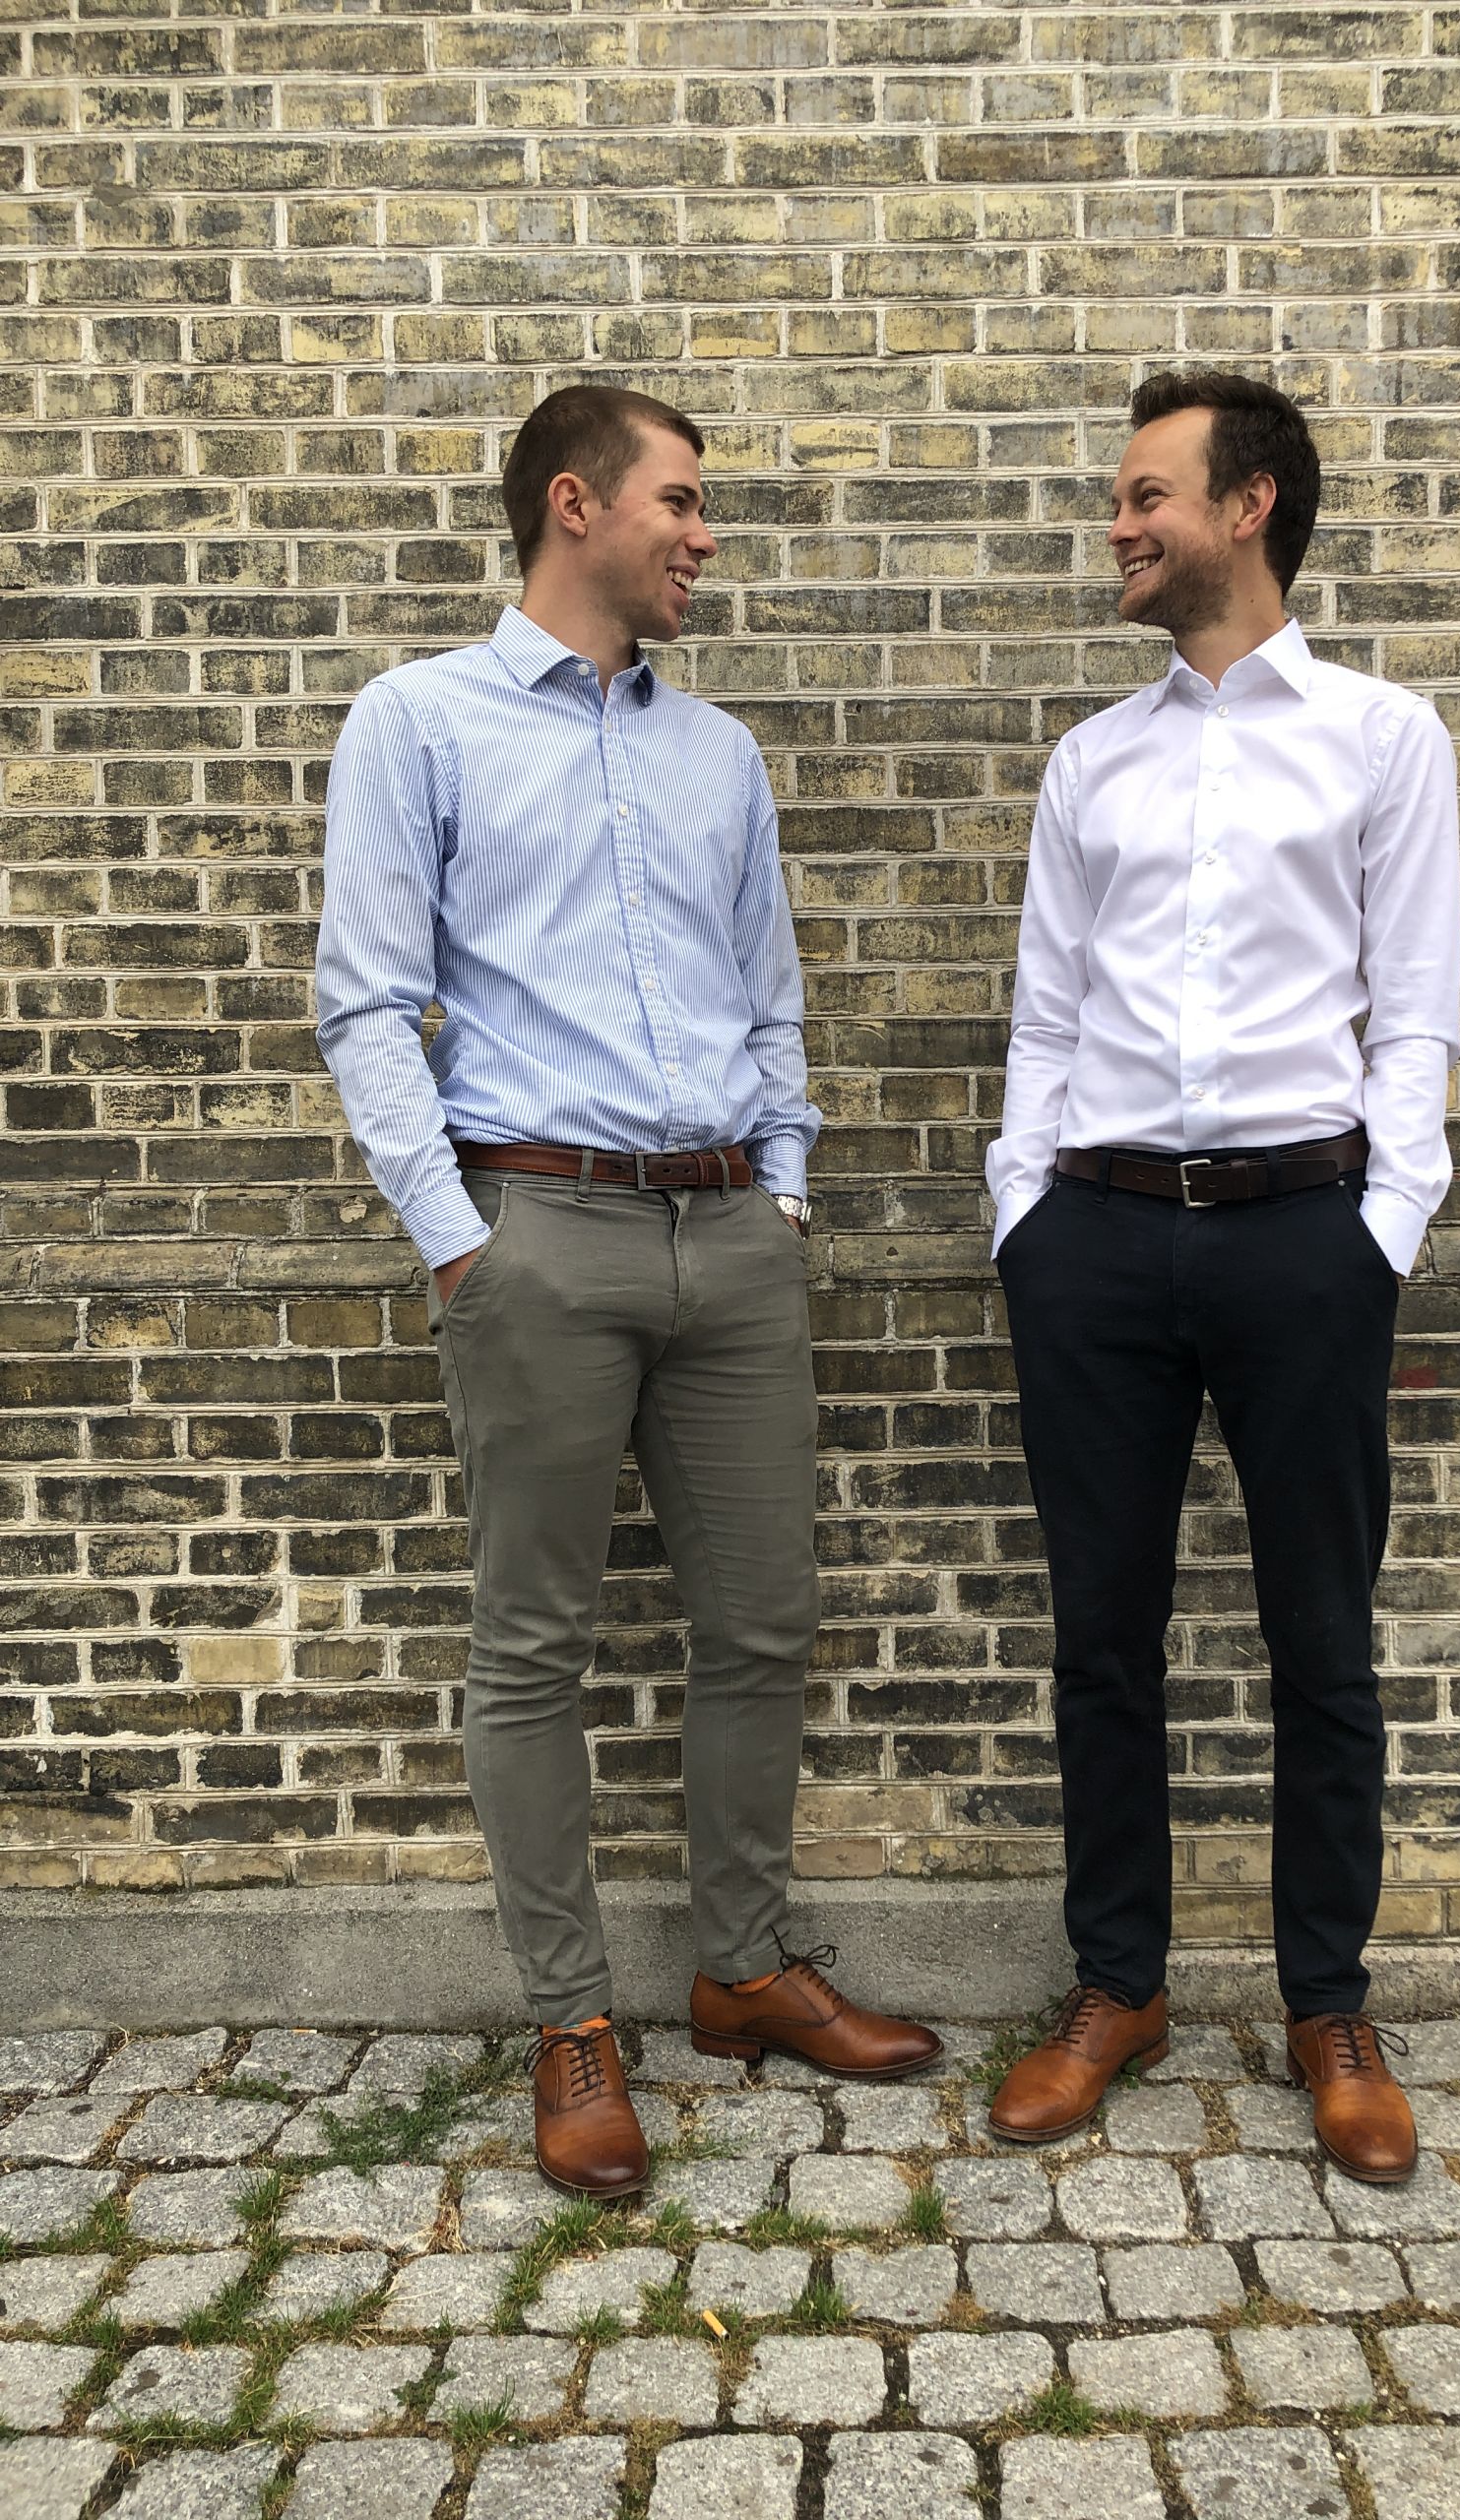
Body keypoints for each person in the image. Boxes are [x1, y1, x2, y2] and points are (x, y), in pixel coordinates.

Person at [316, 385, 941, 2201]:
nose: (705, 535)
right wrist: (457, 1235)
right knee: (536, 1643)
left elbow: (770, 994)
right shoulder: (417, 723)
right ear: (574, 504)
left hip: (732, 1236)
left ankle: (741, 1970)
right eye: (682, 501)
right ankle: (573, 2021)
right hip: (540, 1231)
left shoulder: (717, 753)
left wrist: (790, 1187)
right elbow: (368, 1001)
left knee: (763, 1621)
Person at [984, 370, 1460, 2181]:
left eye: (1144, 493)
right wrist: (1023, 1214)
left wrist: (1379, 1230)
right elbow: (1046, 1009)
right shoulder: (1090, 761)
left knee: (1320, 1646)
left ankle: (1328, 2002)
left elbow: (1414, 1009)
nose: (1118, 524)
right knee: (1102, 1643)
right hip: (1095, 1240)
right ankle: (1121, 1986)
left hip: (1301, 1241)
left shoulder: (1379, 737)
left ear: (1247, 507)